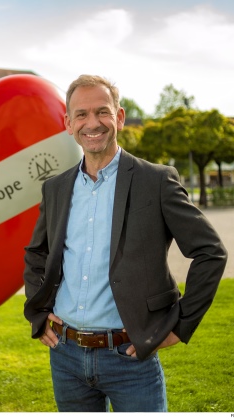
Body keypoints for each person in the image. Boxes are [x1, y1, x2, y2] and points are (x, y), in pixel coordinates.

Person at [23, 74, 227, 412]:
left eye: (102, 112)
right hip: (66, 357)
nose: (92, 123)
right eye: (81, 115)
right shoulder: (56, 188)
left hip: (131, 357)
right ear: (68, 124)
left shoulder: (156, 181)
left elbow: (210, 253)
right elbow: (37, 254)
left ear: (118, 117)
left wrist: (180, 326)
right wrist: (39, 313)